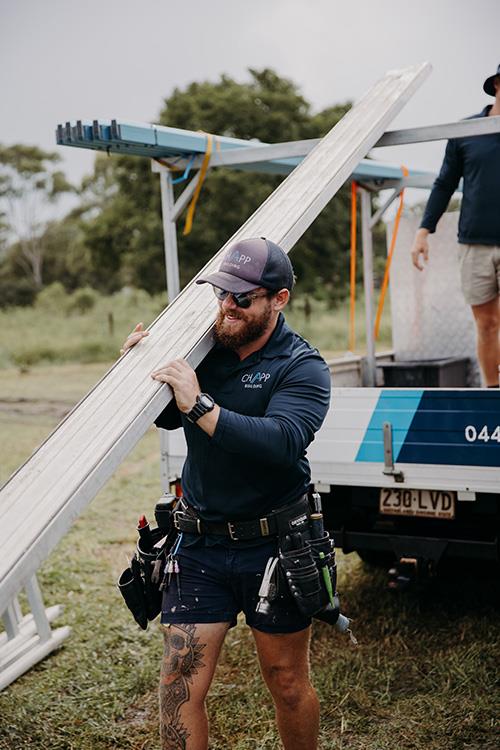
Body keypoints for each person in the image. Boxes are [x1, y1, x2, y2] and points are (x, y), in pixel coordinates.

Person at [122, 237, 331, 750]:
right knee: (178, 684)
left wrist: (200, 406)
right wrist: (136, 368)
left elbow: (282, 442)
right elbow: (166, 411)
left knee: (286, 683)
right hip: (200, 544)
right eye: (222, 294)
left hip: (276, 545)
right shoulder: (205, 349)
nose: (227, 306)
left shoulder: (302, 366)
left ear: (278, 300)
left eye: (243, 298)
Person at [410, 64, 500, 387]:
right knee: (487, 325)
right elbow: (445, 183)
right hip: (474, 243)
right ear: (497, 86)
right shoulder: (467, 132)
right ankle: (493, 394)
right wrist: (423, 231)